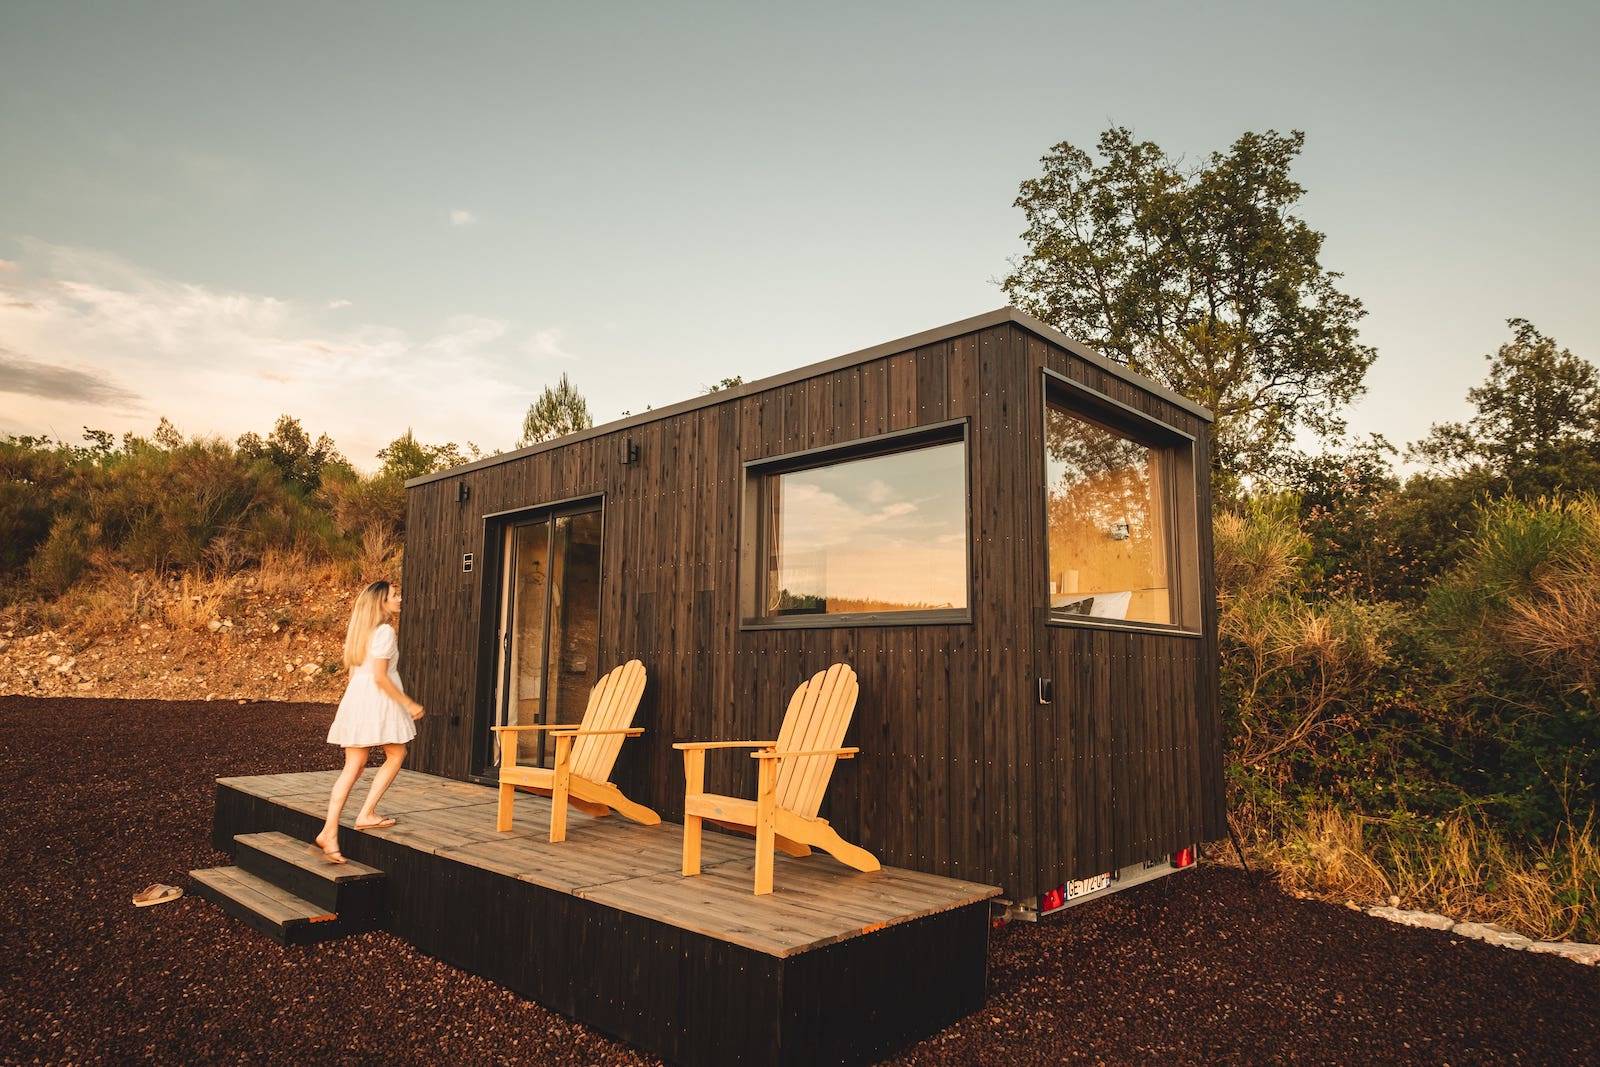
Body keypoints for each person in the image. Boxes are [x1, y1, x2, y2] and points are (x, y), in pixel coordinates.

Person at [315, 580, 424, 863]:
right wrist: (408, 703)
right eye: (394, 595)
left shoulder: (359, 631)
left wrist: (353, 708)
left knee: (353, 766)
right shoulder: (385, 631)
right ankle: (365, 813)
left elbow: (355, 675)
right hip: (378, 699)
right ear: (381, 603)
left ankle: (329, 831)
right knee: (396, 754)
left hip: (357, 699)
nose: (399, 598)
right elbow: (380, 677)